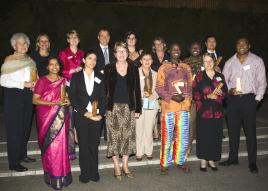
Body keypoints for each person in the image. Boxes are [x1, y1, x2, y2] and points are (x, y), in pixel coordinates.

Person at [220, 38, 267, 173]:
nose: (241, 46)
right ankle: (233, 158)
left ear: (249, 45)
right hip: (233, 101)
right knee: (233, 131)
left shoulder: (257, 61)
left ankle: (252, 162)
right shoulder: (230, 62)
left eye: (244, 43)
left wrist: (257, 100)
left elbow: (262, 82)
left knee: (250, 132)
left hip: (249, 100)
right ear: (236, 46)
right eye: (239, 44)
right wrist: (229, 90)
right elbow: (224, 80)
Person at [32, 57, 72, 189]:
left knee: (62, 147)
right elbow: (35, 100)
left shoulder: (63, 80)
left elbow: (65, 97)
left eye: (56, 64)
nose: (54, 66)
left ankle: (63, 176)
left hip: (61, 118)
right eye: (51, 64)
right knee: (51, 148)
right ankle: (53, 177)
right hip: (46, 120)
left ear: (59, 67)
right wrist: (54, 104)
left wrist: (67, 101)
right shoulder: (42, 81)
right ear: (47, 67)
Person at [105, 42, 141, 180]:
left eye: (124, 51)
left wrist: (138, 108)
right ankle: (117, 167)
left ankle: (125, 166)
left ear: (127, 53)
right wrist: (105, 108)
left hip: (128, 107)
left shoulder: (133, 68)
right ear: (114, 54)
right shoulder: (108, 68)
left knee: (127, 138)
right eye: (119, 51)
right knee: (114, 138)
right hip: (112, 107)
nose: (121, 54)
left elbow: (136, 90)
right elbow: (105, 90)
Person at [0, 33, 36, 172]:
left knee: (25, 128)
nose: (23, 46)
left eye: (25, 43)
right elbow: (3, 81)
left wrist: (34, 85)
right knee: (15, 130)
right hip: (14, 97)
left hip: (27, 97)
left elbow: (34, 77)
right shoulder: (10, 60)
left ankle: (22, 155)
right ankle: (13, 162)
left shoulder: (30, 60)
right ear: (14, 46)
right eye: (20, 43)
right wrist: (24, 84)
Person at [69, 50, 105, 183]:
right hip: (82, 115)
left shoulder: (100, 77)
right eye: (89, 58)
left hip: (96, 117)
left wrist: (100, 114)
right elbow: (72, 96)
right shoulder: (76, 76)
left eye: (94, 59)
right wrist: (84, 112)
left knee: (93, 145)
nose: (92, 61)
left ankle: (94, 173)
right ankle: (85, 173)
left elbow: (102, 96)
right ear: (84, 60)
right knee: (83, 145)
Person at [156, 43, 192, 174]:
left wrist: (187, 103)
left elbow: (190, 87)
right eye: (174, 49)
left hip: (183, 108)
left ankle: (180, 161)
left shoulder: (186, 67)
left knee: (183, 137)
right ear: (169, 51)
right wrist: (172, 97)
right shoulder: (163, 68)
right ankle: (165, 163)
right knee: (167, 136)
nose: (176, 51)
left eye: (178, 49)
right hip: (169, 107)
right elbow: (159, 88)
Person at [193, 53, 228, 171]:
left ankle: (212, 159)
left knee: (214, 136)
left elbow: (225, 92)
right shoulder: (198, 76)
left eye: (210, 61)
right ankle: (203, 160)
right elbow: (195, 94)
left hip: (217, 112)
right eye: (206, 61)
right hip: (203, 111)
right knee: (203, 136)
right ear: (203, 63)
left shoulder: (220, 76)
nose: (208, 63)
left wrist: (220, 94)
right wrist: (207, 96)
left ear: (214, 62)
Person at [91, 28, 115, 141]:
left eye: (107, 36)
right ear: (98, 37)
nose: (104, 38)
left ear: (109, 38)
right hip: (98, 82)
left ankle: (108, 135)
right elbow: (90, 66)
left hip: (111, 83)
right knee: (99, 106)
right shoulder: (93, 50)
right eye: (102, 36)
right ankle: (95, 133)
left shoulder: (113, 51)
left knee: (110, 107)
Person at [135, 51, 159, 161]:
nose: (147, 61)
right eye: (144, 59)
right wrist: (140, 95)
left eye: (149, 59)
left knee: (149, 128)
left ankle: (148, 151)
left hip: (152, 102)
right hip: (139, 103)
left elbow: (160, 88)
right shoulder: (135, 72)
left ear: (152, 61)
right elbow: (132, 89)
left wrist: (153, 95)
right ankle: (139, 152)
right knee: (139, 128)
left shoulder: (156, 74)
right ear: (140, 61)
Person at [183, 42, 203, 153]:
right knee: (190, 122)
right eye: (193, 47)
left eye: (198, 47)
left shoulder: (205, 61)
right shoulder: (185, 62)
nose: (196, 49)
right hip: (191, 98)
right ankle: (189, 144)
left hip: (205, 97)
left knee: (203, 122)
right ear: (189, 49)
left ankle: (204, 145)